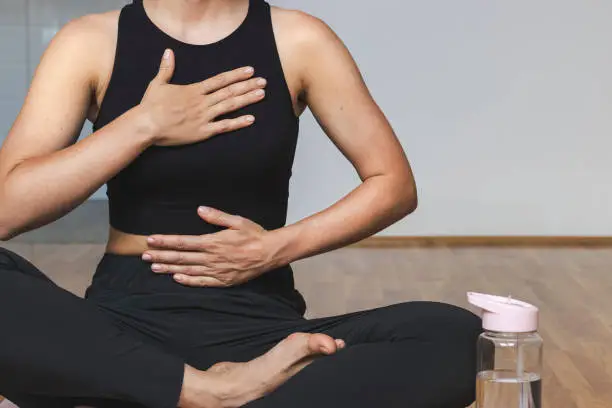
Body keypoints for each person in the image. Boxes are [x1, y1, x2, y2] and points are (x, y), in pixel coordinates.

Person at [0, 0, 481, 407]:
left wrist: (276, 248)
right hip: (120, 332)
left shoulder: (299, 40)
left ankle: (167, 396)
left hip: (260, 333)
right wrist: (141, 126)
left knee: (456, 337)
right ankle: (205, 393)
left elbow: (393, 184)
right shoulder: (88, 42)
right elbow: (7, 210)